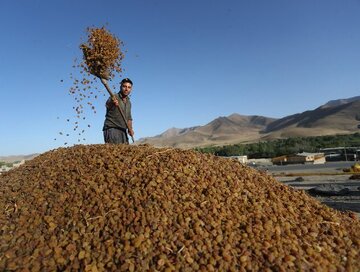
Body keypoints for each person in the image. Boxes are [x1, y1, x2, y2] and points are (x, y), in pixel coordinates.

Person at [103, 78, 134, 144]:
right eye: (124, 86)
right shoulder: (114, 97)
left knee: (125, 152)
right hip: (112, 128)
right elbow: (107, 105)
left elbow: (129, 118)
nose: (126, 89)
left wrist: (130, 129)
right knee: (114, 152)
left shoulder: (129, 102)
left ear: (131, 89)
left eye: (129, 87)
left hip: (123, 130)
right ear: (120, 87)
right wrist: (112, 102)